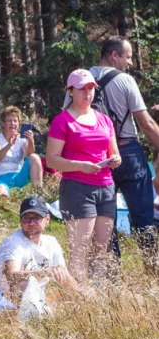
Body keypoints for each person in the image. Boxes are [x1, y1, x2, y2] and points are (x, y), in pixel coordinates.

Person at [76, 37, 159, 273]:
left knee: (105, 221)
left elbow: (70, 119)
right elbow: (146, 124)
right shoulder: (125, 81)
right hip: (129, 152)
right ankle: (153, 272)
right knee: (143, 216)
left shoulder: (80, 80)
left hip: (95, 157)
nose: (130, 62)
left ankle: (112, 277)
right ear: (114, 55)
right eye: (128, 56)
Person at [47, 69, 122, 285]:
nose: (87, 93)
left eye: (90, 88)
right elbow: (52, 160)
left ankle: (96, 298)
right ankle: (77, 298)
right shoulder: (62, 121)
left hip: (106, 187)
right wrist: (80, 165)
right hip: (77, 187)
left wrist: (115, 160)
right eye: (81, 89)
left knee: (101, 248)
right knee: (80, 249)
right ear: (70, 91)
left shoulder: (104, 120)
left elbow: (114, 153)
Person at [0, 195, 81, 302]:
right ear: (20, 220)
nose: (31, 223)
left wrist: (81, 297)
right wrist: (46, 273)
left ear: (47, 219)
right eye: (26, 218)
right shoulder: (12, 242)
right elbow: (13, 277)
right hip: (5, 303)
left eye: (37, 218)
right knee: (24, 284)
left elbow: (64, 275)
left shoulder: (52, 243)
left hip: (34, 303)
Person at [0, 105, 43, 197]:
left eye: (15, 121)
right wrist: (9, 145)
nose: (12, 123)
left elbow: (29, 154)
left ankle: (38, 193)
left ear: (18, 124)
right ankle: (4, 201)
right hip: (0, 178)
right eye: (9, 121)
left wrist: (31, 141)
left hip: (18, 176)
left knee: (35, 157)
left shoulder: (21, 139)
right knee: (2, 190)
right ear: (3, 123)